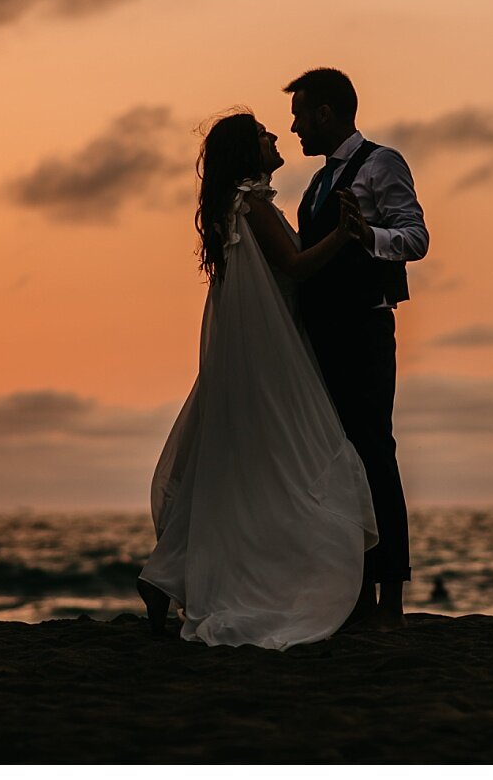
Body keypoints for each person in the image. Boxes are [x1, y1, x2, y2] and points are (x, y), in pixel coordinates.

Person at [137, 112, 378, 649]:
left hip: (254, 350)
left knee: (226, 471)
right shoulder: (252, 204)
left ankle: (164, 578)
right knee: (297, 457)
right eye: (266, 134)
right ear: (250, 152)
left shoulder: (235, 207)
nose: (276, 137)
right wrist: (345, 234)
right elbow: (295, 267)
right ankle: (183, 578)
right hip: (270, 355)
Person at [284, 68, 429, 631]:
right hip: (321, 336)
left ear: (325, 112)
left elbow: (416, 237)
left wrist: (369, 237)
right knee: (335, 460)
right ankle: (353, 592)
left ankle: (389, 597)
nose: (293, 127)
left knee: (372, 452)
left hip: (363, 332)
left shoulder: (381, 162)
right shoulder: (318, 182)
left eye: (299, 114)